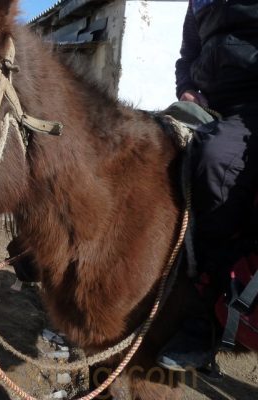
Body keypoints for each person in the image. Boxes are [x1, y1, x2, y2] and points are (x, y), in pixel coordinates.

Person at [158, 0, 258, 371]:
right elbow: (189, 55)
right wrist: (186, 88)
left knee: (216, 159)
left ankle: (204, 315)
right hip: (210, 102)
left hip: (252, 104)